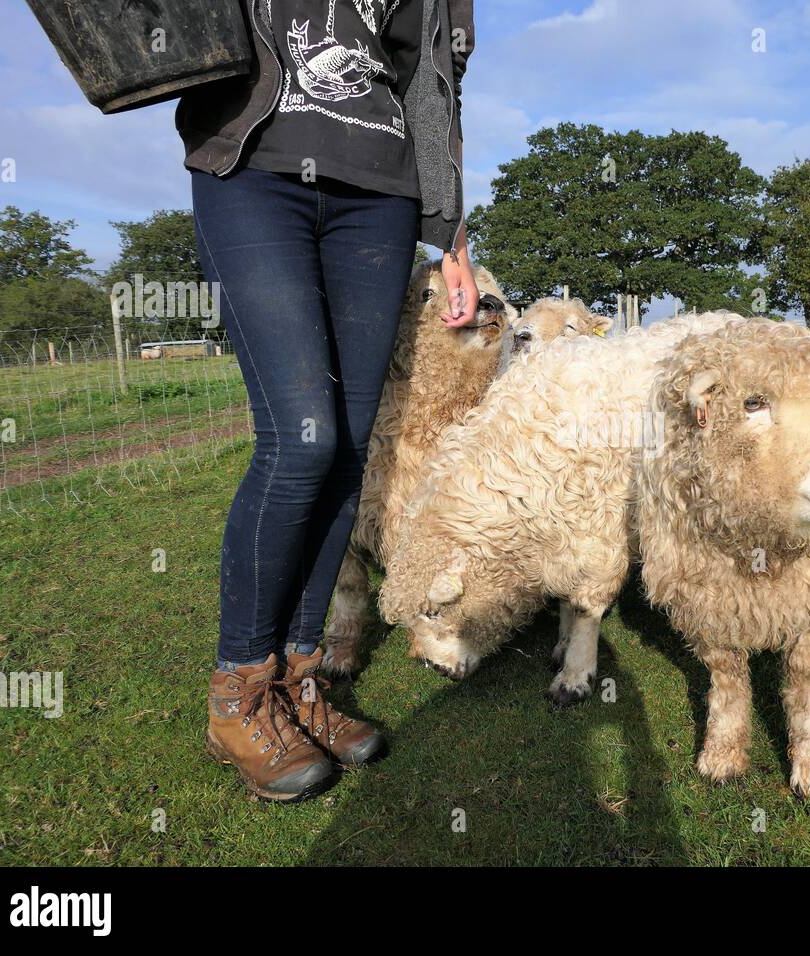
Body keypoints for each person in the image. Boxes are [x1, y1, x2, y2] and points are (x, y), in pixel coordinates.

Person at [175, 0, 476, 801]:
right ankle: (238, 696)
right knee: (301, 437)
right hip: (255, 172)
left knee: (346, 451)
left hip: (380, 193)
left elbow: (432, 83)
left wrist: (450, 236)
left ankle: (300, 681)